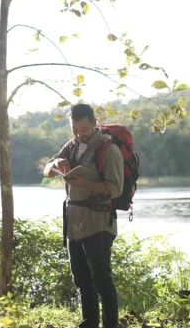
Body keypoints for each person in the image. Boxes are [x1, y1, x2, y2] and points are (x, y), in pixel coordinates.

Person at [43, 103, 124, 328]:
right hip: (74, 224)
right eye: (75, 130)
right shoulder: (71, 146)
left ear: (95, 123)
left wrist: (85, 183)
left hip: (99, 223)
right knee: (81, 281)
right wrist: (55, 164)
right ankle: (89, 324)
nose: (80, 134)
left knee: (102, 282)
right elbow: (47, 170)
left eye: (84, 130)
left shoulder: (109, 149)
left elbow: (115, 188)